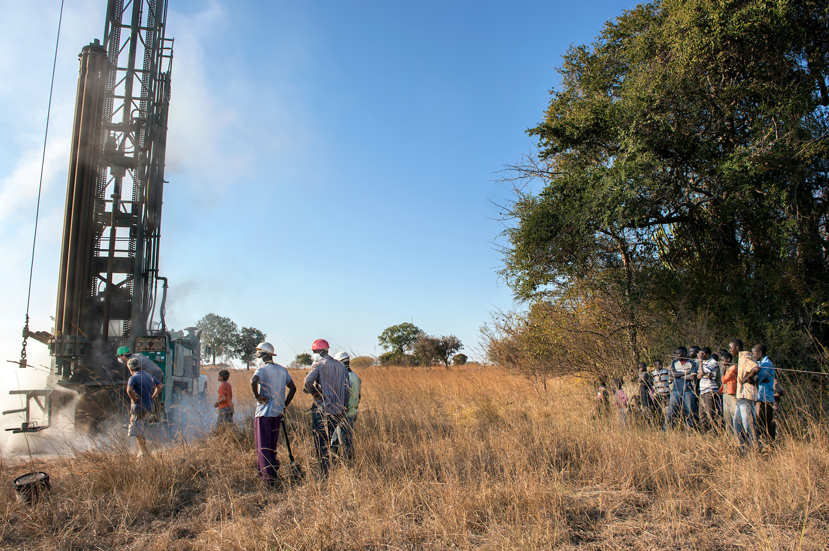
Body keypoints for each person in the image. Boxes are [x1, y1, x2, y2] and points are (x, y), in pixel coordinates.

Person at [250, 341, 296, 486]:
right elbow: (293, 388)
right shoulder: (282, 370)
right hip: (277, 414)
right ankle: (272, 472)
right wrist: (284, 407)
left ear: (263, 354)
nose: (257, 355)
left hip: (263, 414)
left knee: (262, 447)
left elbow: (253, 381)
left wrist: (257, 396)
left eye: (258, 353)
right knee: (271, 446)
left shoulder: (262, 370)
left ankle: (268, 480)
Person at [304, 339, 350, 475]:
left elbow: (307, 382)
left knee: (321, 442)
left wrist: (313, 392)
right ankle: (333, 467)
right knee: (331, 438)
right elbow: (347, 389)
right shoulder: (341, 366)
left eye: (314, 352)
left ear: (322, 351)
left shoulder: (318, 366)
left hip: (322, 409)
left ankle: (324, 471)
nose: (314, 354)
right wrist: (344, 407)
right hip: (337, 410)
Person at [126, 358, 162, 456]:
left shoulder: (133, 378)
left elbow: (129, 390)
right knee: (141, 431)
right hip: (149, 407)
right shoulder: (148, 376)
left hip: (138, 408)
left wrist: (134, 400)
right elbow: (160, 386)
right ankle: (144, 451)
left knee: (138, 433)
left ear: (130, 368)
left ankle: (143, 453)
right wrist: (154, 396)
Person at [331, 351, 361, 460]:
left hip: (343, 414)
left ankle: (349, 466)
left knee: (345, 442)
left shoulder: (344, 378)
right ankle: (334, 461)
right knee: (335, 439)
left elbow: (342, 398)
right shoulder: (355, 377)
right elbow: (359, 396)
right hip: (352, 412)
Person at [665, 347, 697, 430]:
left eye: (678, 353)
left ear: (684, 354)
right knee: (671, 411)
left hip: (688, 390)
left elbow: (692, 377)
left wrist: (678, 375)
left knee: (689, 412)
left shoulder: (692, 363)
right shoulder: (674, 362)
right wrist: (685, 373)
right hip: (676, 390)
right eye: (676, 353)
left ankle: (690, 430)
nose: (676, 355)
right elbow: (671, 373)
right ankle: (666, 430)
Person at [734, 348, 759, 452]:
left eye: (731, 348)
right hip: (741, 397)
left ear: (737, 348)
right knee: (737, 424)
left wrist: (746, 378)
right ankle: (743, 449)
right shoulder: (741, 358)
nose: (730, 350)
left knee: (748, 424)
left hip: (746, 397)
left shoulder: (745, 357)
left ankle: (754, 449)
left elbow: (756, 368)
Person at [753, 344, 776, 447]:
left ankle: (769, 444)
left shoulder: (767, 364)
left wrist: (756, 378)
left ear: (760, 353)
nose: (753, 356)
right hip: (759, 397)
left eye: (754, 353)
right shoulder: (759, 364)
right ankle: (764, 444)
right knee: (760, 422)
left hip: (765, 397)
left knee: (764, 422)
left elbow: (758, 377)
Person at [696, 347, 719, 431]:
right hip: (702, 390)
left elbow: (701, 373)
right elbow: (698, 376)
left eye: (702, 354)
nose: (700, 356)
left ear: (707, 354)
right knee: (702, 413)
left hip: (710, 389)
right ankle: (704, 431)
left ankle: (714, 432)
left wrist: (700, 361)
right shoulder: (703, 363)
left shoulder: (713, 362)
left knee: (710, 412)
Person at [720, 351, 737, 435]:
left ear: (728, 359)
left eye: (723, 360)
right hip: (726, 393)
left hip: (732, 393)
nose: (722, 362)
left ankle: (738, 435)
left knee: (734, 414)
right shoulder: (727, 368)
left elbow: (724, 380)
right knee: (727, 416)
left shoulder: (733, 368)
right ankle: (730, 434)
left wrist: (722, 374)